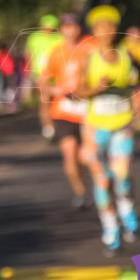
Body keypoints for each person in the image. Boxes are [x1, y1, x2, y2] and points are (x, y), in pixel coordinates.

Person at [77, 5, 140, 256]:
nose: (106, 31)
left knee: (121, 176)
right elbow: (80, 91)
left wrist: (138, 114)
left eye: (111, 26)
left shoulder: (126, 57)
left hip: (122, 125)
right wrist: (98, 88)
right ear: (94, 31)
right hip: (96, 128)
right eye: (100, 27)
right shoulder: (90, 59)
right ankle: (110, 229)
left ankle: (128, 215)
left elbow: (136, 87)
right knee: (102, 180)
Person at [40, 14, 95, 210]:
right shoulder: (56, 52)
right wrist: (54, 90)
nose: (70, 30)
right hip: (64, 111)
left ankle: (99, 188)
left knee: (87, 156)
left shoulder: (91, 48)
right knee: (69, 152)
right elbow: (44, 80)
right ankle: (80, 193)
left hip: (88, 110)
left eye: (73, 26)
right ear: (62, 30)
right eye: (66, 26)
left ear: (79, 28)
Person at [26, 14, 63, 140]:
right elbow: (29, 55)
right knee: (45, 101)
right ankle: (48, 127)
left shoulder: (60, 38)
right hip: (41, 75)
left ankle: (57, 125)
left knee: (57, 101)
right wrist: (30, 72)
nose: (48, 30)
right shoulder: (34, 38)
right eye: (46, 27)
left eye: (51, 28)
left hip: (58, 75)